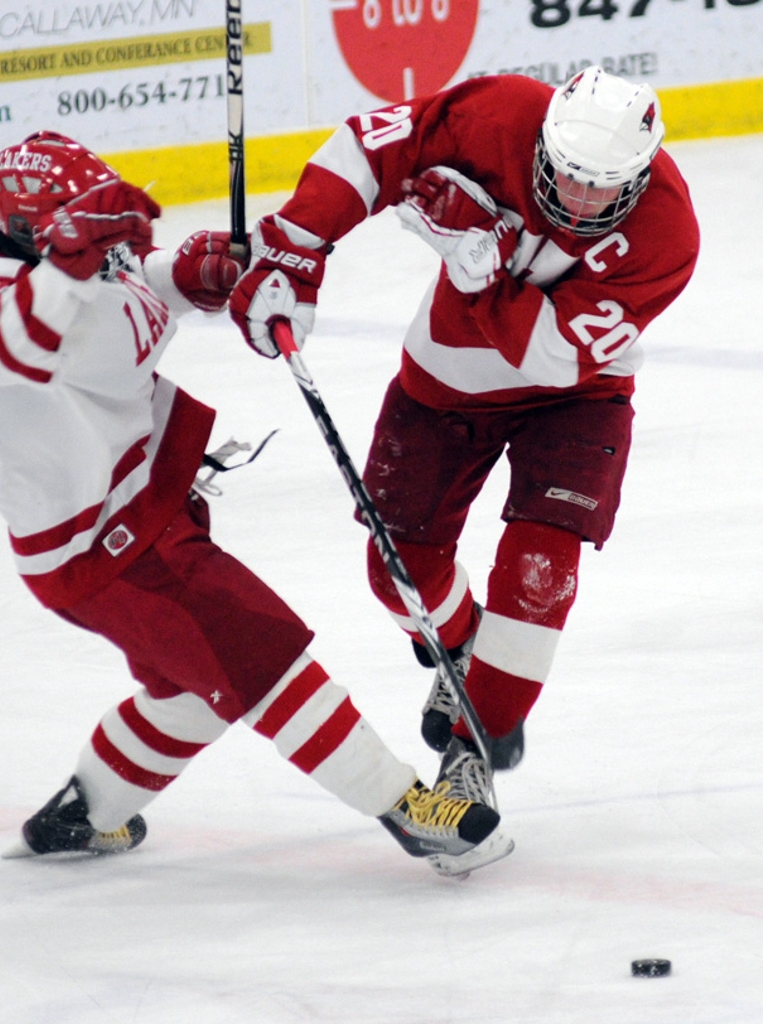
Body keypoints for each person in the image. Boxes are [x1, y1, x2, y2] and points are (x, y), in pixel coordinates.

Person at [0, 130, 513, 878]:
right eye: (78, 226)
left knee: (191, 694)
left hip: (143, 518)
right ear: (31, 233)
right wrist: (81, 255)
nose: (105, 245)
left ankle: (85, 813)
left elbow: (129, 289)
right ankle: (409, 810)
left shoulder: (81, 274)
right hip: (108, 551)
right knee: (259, 653)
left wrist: (197, 273)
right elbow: (29, 332)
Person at [229, 67, 700, 809]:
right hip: (445, 379)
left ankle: (472, 747)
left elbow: (550, 354)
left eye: (601, 187)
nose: (578, 201)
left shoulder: (667, 231)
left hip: (579, 396)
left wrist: (479, 269)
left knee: (540, 568)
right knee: (399, 573)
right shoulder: (503, 116)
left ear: (639, 176)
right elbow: (371, 145)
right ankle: (463, 651)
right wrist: (295, 244)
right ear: (543, 143)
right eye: (566, 176)